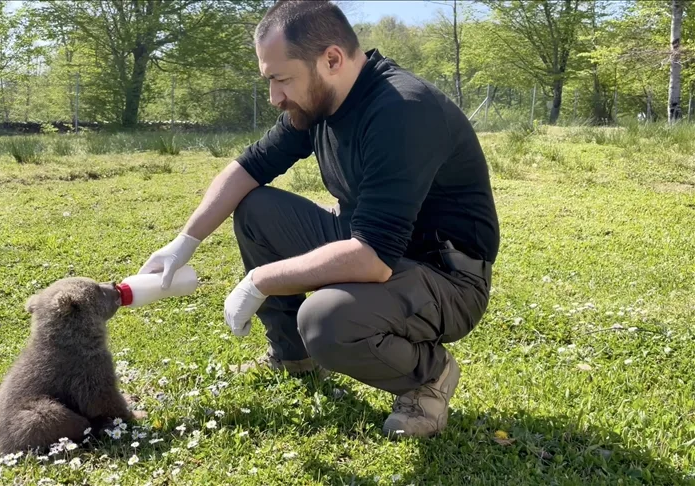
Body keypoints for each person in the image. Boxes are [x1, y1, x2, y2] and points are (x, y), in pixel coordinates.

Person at [137, 0, 499, 439]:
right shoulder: (318, 103)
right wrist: (185, 241)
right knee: (255, 209)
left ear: (331, 59)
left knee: (326, 321)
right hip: (373, 242)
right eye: (269, 80)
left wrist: (260, 280)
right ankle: (294, 358)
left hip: (444, 276)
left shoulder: (402, 110)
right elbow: (247, 168)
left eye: (281, 79)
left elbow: (373, 259)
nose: (275, 97)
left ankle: (429, 376)